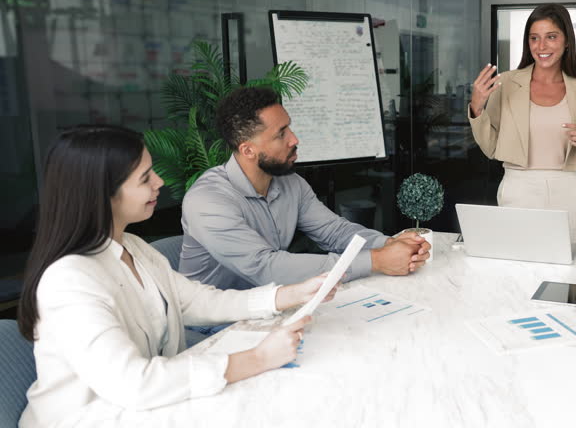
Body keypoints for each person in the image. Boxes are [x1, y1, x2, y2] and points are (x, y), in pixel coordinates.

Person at [17, 125, 339, 427]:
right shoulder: (68, 280)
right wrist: (257, 358)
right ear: (102, 194)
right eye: (145, 178)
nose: (159, 182)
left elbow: (197, 300)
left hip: (144, 410)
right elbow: (135, 383)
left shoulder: (132, 247)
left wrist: (292, 294)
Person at [179, 87, 430, 291]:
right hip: (215, 328)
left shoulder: (290, 182)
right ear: (248, 150)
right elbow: (267, 269)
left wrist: (390, 244)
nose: (294, 139)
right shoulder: (207, 202)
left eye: (289, 127)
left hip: (274, 307)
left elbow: (334, 231)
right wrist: (376, 260)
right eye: (281, 134)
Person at [469, 3, 576, 245]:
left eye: (551, 37)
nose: (541, 46)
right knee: (518, 266)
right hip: (519, 189)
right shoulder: (506, 84)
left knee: (565, 268)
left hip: (568, 191)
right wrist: (477, 108)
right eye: (534, 38)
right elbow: (491, 148)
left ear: (566, 40)